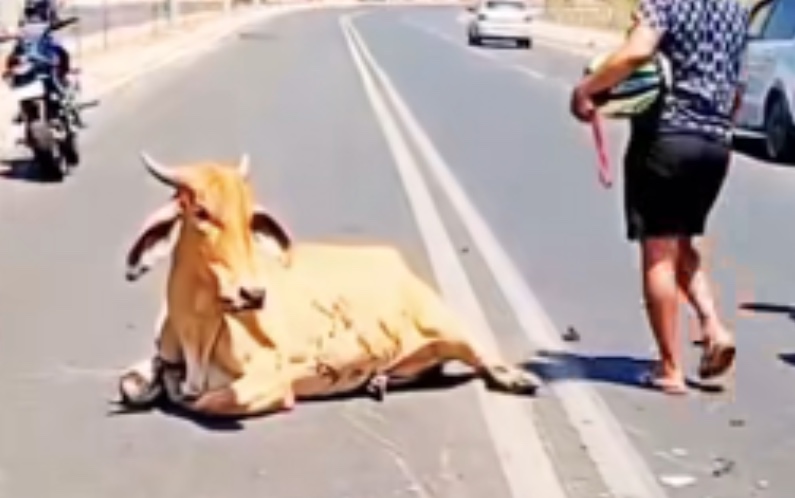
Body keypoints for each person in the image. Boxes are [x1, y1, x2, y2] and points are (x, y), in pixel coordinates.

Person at [569, 0, 749, 394]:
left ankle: (669, 368)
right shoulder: (735, 12)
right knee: (684, 242)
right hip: (715, 144)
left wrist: (587, 89)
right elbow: (738, 90)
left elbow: (637, 51)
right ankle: (714, 326)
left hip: (667, 139)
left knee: (659, 254)